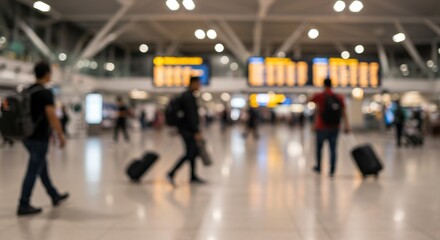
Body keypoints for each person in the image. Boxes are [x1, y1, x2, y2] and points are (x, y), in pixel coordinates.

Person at [17, 62, 69, 216]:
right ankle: (23, 204)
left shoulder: (28, 91)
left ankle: (54, 195)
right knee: (33, 170)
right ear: (47, 74)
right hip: (39, 137)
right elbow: (52, 115)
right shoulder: (45, 93)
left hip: (26, 136)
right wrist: (60, 135)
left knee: (41, 167)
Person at [167, 77, 205, 186]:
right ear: (192, 83)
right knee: (189, 153)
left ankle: (193, 176)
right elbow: (191, 116)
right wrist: (196, 131)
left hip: (186, 129)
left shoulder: (187, 96)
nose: (199, 86)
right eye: (198, 83)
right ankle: (171, 172)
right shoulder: (188, 97)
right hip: (188, 130)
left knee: (193, 152)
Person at [310, 78, 350, 177]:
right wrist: (347, 125)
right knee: (333, 148)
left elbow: (311, 101)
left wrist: (314, 124)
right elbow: (344, 112)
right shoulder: (339, 97)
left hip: (321, 126)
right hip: (335, 127)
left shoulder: (320, 96)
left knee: (319, 148)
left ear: (324, 85)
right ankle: (332, 170)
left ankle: (319, 167)